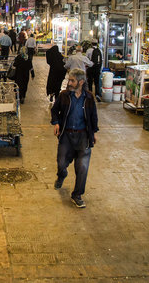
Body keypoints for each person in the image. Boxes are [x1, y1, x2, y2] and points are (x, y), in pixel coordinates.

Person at [51, 68, 99, 209]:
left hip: (83, 136)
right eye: (69, 80)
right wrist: (56, 123)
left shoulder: (89, 97)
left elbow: (93, 117)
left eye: (72, 80)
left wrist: (94, 132)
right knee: (61, 162)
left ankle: (77, 195)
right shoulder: (64, 95)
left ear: (81, 82)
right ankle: (62, 175)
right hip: (67, 135)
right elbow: (54, 111)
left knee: (82, 167)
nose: (69, 83)